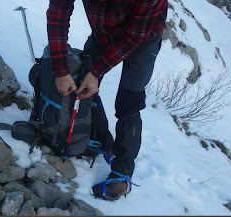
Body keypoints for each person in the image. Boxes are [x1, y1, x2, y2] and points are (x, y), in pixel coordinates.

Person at [46, 0, 168, 200]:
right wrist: (61, 70)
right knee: (80, 81)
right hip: (103, 32)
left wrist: (97, 71)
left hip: (144, 36)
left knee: (129, 102)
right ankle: (101, 139)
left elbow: (135, 36)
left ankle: (122, 172)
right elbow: (58, 14)